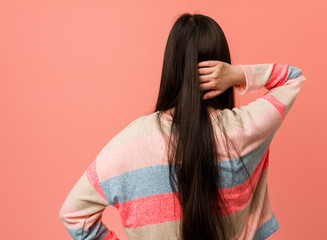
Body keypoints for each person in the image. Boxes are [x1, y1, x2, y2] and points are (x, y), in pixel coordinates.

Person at [58, 12, 306, 240]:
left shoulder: (129, 143)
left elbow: (73, 214)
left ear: (172, 68)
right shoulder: (244, 129)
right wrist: (237, 74)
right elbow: (292, 78)